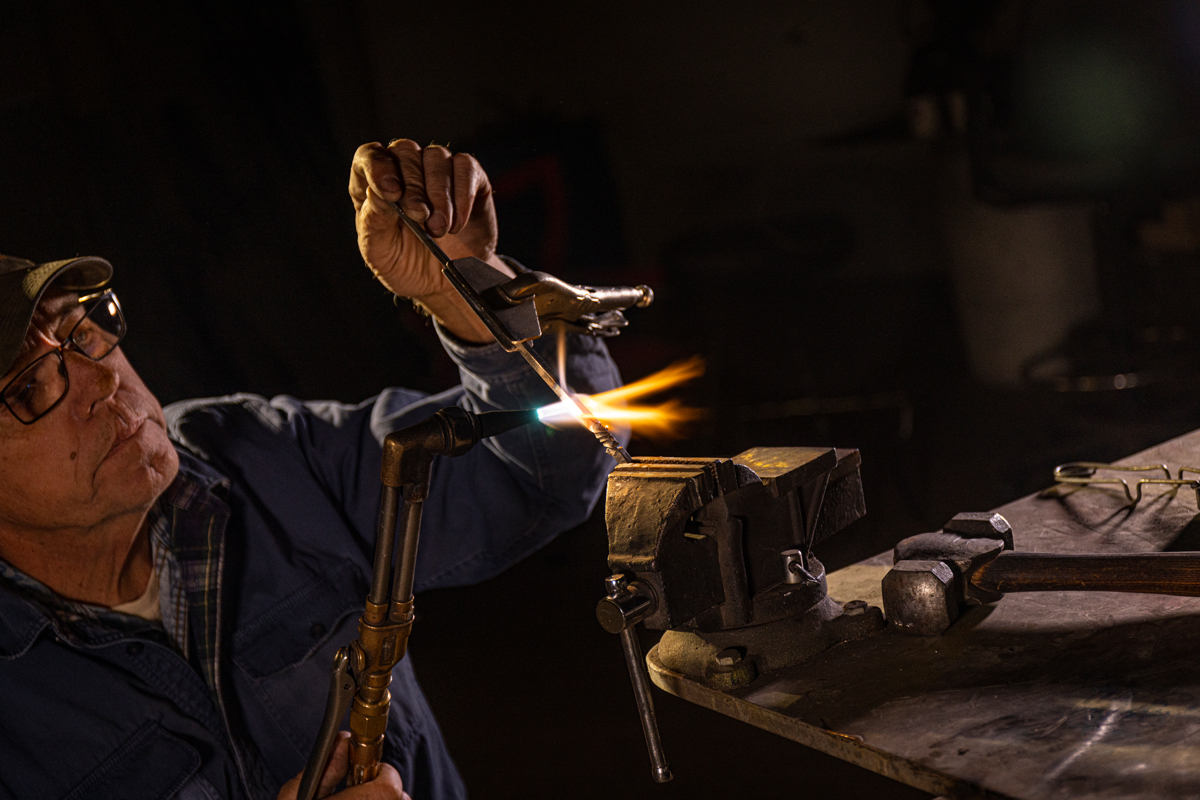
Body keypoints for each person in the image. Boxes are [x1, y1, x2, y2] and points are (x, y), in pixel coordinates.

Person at [0, 140, 624, 799]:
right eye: (28, 388)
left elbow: (553, 467)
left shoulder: (260, 458)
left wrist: (467, 287)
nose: (102, 380)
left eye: (80, 332)